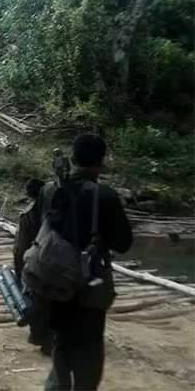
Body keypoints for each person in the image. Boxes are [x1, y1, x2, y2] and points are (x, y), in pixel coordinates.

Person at [33, 134, 132, 391]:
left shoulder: (50, 190)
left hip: (53, 280)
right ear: (101, 161)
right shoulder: (104, 196)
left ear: (73, 158)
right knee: (88, 354)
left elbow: (39, 230)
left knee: (61, 344)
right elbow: (123, 242)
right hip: (89, 285)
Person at [13, 178, 51, 355]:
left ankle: (41, 338)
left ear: (28, 194)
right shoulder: (57, 211)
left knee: (36, 300)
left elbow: (20, 248)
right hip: (58, 262)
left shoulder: (27, 215)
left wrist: (19, 270)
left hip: (34, 263)